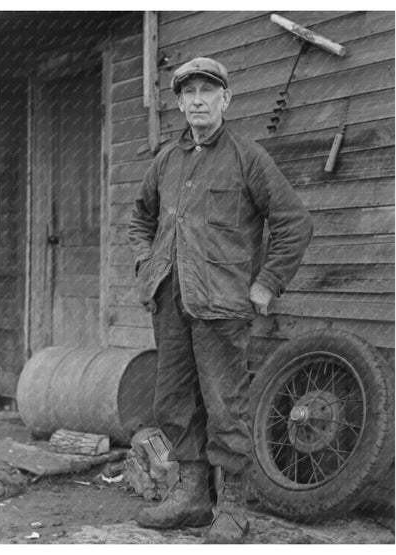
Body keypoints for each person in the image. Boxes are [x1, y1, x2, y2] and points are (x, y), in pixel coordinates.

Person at [128, 57, 313, 543]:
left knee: (225, 406)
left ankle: (232, 507)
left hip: (223, 306)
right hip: (171, 301)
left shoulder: (248, 157)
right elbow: (140, 220)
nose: (197, 101)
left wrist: (267, 283)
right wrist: (147, 266)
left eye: (207, 91)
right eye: (188, 93)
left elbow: (294, 222)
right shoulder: (166, 161)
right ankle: (191, 497)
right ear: (180, 103)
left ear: (226, 99)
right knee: (171, 401)